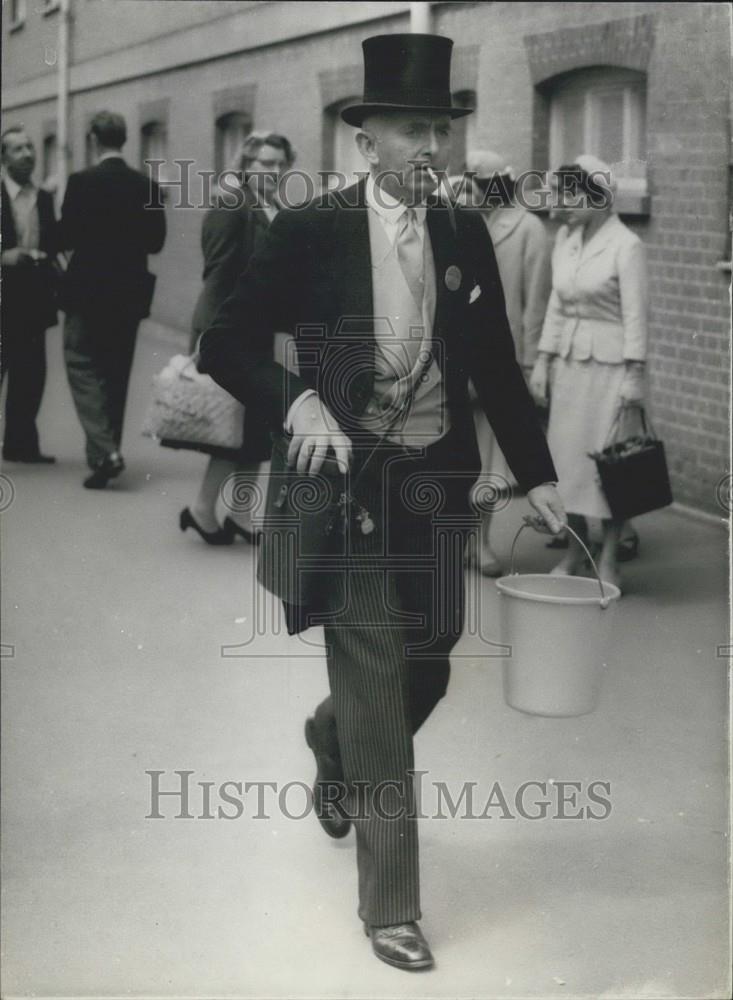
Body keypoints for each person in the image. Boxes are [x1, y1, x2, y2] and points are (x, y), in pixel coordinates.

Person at [199, 34, 566, 971]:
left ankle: (328, 743)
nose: (430, 148)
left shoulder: (460, 231)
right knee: (372, 690)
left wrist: (541, 476)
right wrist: (299, 398)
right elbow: (224, 340)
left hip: (434, 490)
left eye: (439, 129)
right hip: (344, 491)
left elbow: (494, 368)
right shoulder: (310, 230)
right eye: (411, 131)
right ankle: (391, 908)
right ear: (367, 143)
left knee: (429, 665)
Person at [529, 155, 647, 593]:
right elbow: (557, 307)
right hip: (570, 366)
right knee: (568, 463)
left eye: (570, 194)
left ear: (598, 198)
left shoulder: (627, 245)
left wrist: (635, 376)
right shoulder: (567, 238)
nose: (561, 204)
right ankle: (576, 550)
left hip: (613, 371)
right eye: (559, 194)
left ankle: (611, 558)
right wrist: (543, 361)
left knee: (609, 468)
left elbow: (636, 317)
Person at [177, 131, 295, 544]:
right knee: (230, 429)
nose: (274, 171)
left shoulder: (272, 205)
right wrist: (207, 340)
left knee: (258, 429)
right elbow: (218, 277)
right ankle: (203, 510)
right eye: (265, 163)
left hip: (258, 335)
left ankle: (241, 514)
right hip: (229, 335)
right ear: (246, 165)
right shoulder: (232, 206)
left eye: (280, 164)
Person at [451, 151, 552, 574]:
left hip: (499, 362)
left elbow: (535, 304)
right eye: (468, 181)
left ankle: (483, 541)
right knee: (456, 455)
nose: (473, 189)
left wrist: (528, 366)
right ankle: (457, 540)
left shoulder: (528, 228)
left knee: (490, 459)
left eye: (482, 181)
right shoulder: (459, 220)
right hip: (456, 359)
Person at [59, 111, 167, 489]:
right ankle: (107, 454)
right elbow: (156, 242)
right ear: (124, 140)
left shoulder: (80, 181)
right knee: (115, 374)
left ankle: (105, 451)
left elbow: (66, 236)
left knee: (80, 364)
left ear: (92, 139)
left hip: (86, 292)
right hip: (128, 294)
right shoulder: (147, 186)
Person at [1, 126, 59, 464]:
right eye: (18, 149)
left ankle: (20, 445)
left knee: (31, 375)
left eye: (30, 147)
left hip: (33, 299)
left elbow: (53, 244)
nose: (27, 154)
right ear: (3, 158)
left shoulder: (45, 198)